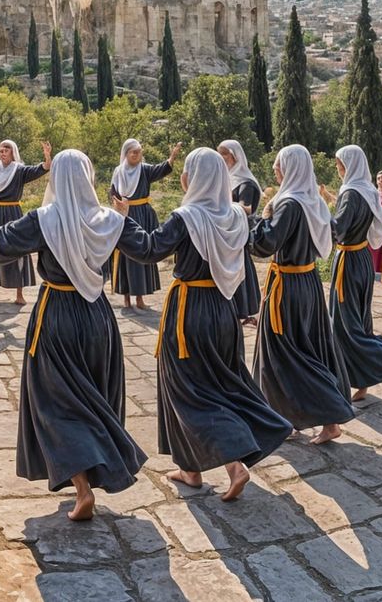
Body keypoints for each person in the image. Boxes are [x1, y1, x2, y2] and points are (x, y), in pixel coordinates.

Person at [0, 149, 149, 521]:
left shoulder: (45, 220)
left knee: (54, 401)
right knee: (94, 396)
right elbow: (148, 249)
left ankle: (81, 487)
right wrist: (126, 219)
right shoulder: (110, 220)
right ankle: (95, 471)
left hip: (57, 315)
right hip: (98, 317)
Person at [112, 149, 291, 500]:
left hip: (189, 311)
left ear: (193, 177)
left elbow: (149, 250)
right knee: (221, 384)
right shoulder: (237, 216)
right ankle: (190, 469)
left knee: (187, 390)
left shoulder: (186, 217)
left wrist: (124, 219)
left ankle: (234, 464)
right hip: (224, 310)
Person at [250, 145, 354, 445]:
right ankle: (289, 418)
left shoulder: (288, 205)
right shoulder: (313, 202)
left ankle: (328, 415)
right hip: (306, 282)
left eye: (278, 163)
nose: (274, 168)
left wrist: (256, 218)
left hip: (288, 288)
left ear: (291, 167)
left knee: (286, 354)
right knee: (307, 348)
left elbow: (265, 244)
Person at [323, 146, 382, 402]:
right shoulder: (367, 190)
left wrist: (317, 214)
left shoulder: (351, 193)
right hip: (362, 257)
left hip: (348, 260)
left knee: (345, 324)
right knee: (360, 320)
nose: (337, 170)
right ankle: (361, 382)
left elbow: (338, 229)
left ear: (348, 166)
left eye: (339, 165)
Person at [0, 139, 51, 305]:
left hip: (13, 213)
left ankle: (19, 294)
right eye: (1, 149)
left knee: (17, 249)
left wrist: (47, 155)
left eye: (6, 149)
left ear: (13, 152)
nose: (3, 151)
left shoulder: (20, 170)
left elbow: (44, 167)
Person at [106, 138, 179, 309]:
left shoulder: (144, 170)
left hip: (144, 217)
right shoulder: (119, 172)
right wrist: (117, 208)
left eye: (139, 152)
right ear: (126, 153)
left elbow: (161, 170)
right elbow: (113, 194)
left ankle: (140, 299)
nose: (138, 156)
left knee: (143, 254)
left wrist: (172, 158)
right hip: (125, 216)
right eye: (134, 152)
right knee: (125, 256)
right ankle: (126, 298)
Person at [217, 140, 263, 324]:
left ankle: (243, 309)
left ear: (235, 156)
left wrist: (221, 205)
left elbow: (247, 208)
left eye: (224, 154)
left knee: (240, 270)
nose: (221, 158)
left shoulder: (245, 183)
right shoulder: (227, 178)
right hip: (226, 231)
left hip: (238, 233)